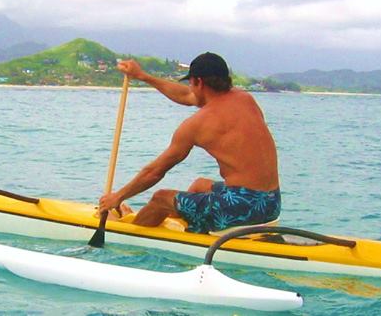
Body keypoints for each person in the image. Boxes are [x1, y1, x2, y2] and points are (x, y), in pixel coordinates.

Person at [98, 52, 281, 233]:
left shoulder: (197, 124)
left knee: (161, 198)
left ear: (198, 82)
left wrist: (117, 197)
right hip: (271, 202)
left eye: (191, 83)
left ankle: (131, 232)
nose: (190, 89)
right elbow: (186, 95)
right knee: (200, 185)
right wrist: (142, 76)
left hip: (242, 209)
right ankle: (180, 221)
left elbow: (154, 172)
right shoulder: (245, 99)